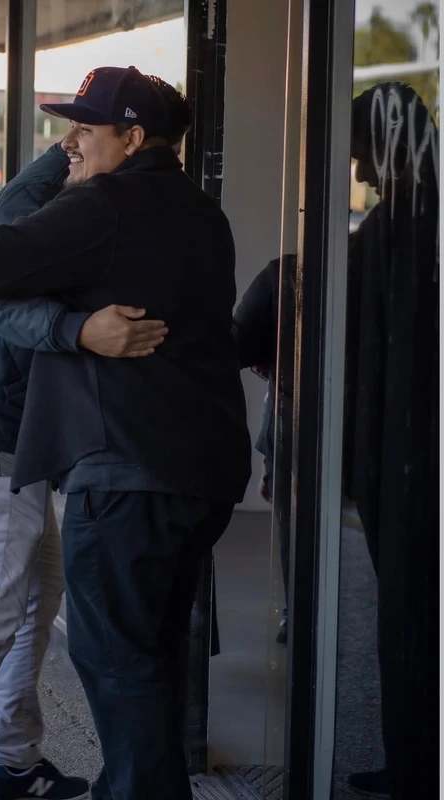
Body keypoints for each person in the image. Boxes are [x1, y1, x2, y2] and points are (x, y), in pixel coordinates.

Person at [0, 66, 251, 800]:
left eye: (85, 128)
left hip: (126, 473)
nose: (71, 141)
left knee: (117, 660)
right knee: (154, 654)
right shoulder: (205, 212)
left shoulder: (106, 205)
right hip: (200, 474)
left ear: (133, 138)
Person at [0, 136, 168, 800]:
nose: (78, 153)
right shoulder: (48, 216)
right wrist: (77, 330)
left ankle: (15, 763)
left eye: (86, 141)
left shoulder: (44, 194)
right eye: (74, 145)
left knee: (34, 600)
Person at [342, 83, 438, 800]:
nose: (357, 166)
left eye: (362, 149)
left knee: (407, 616)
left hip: (400, 462)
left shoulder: (387, 232)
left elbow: (362, 360)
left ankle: (413, 769)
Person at [232, 253, 297, 643]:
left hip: (298, 422)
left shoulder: (286, 271)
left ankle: (297, 610)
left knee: (295, 520)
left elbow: (237, 344)